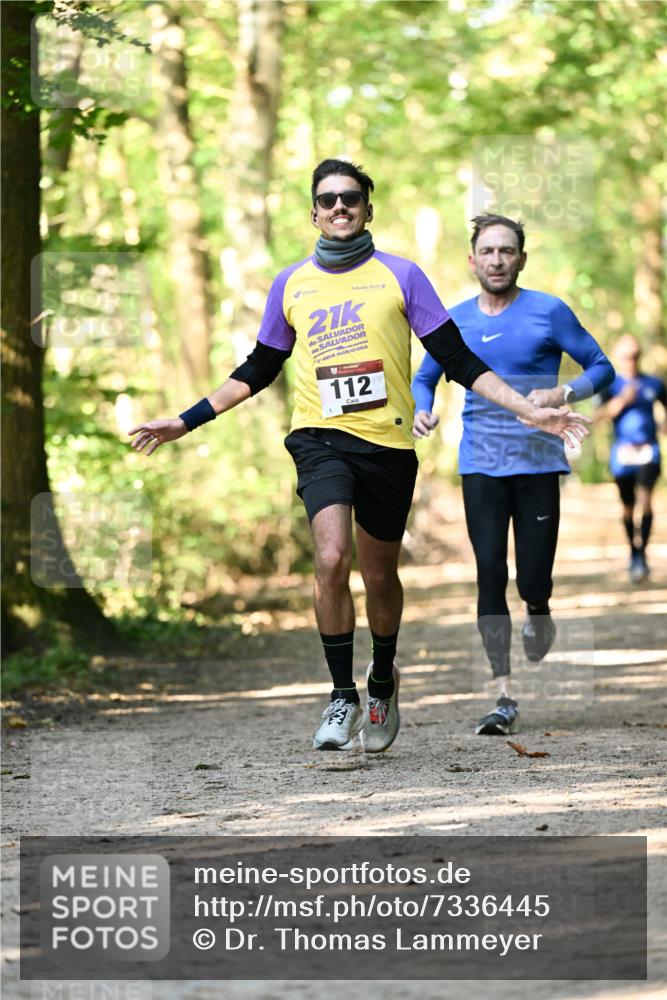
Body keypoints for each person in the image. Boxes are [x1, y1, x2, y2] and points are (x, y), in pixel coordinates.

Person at [130, 168, 589, 754]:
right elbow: (260, 366)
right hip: (319, 440)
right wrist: (184, 420)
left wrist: (530, 409)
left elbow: (459, 359)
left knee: (378, 576)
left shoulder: (401, 276)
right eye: (328, 200)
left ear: (367, 209)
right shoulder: (291, 283)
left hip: (388, 446)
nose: (340, 207)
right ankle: (341, 695)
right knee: (330, 556)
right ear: (314, 213)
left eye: (351, 198)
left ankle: (382, 679)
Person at [412, 213, 614, 737]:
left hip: (539, 463)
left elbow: (601, 366)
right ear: (472, 259)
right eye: (488, 251)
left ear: (521, 259)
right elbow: (425, 375)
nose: (497, 260)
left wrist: (563, 393)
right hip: (481, 463)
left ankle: (539, 608)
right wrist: (422, 408)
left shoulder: (549, 311)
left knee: (532, 578)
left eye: (507, 251)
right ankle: (503, 694)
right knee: (488, 573)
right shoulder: (452, 320)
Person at [595, 334, 666, 583]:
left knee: (646, 501)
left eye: (635, 356)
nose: (632, 361)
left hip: (649, 451)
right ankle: (633, 552)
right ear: (618, 357)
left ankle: (642, 555)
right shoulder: (610, 385)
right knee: (627, 506)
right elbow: (598, 415)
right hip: (622, 454)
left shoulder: (654, 383)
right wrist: (622, 401)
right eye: (627, 356)